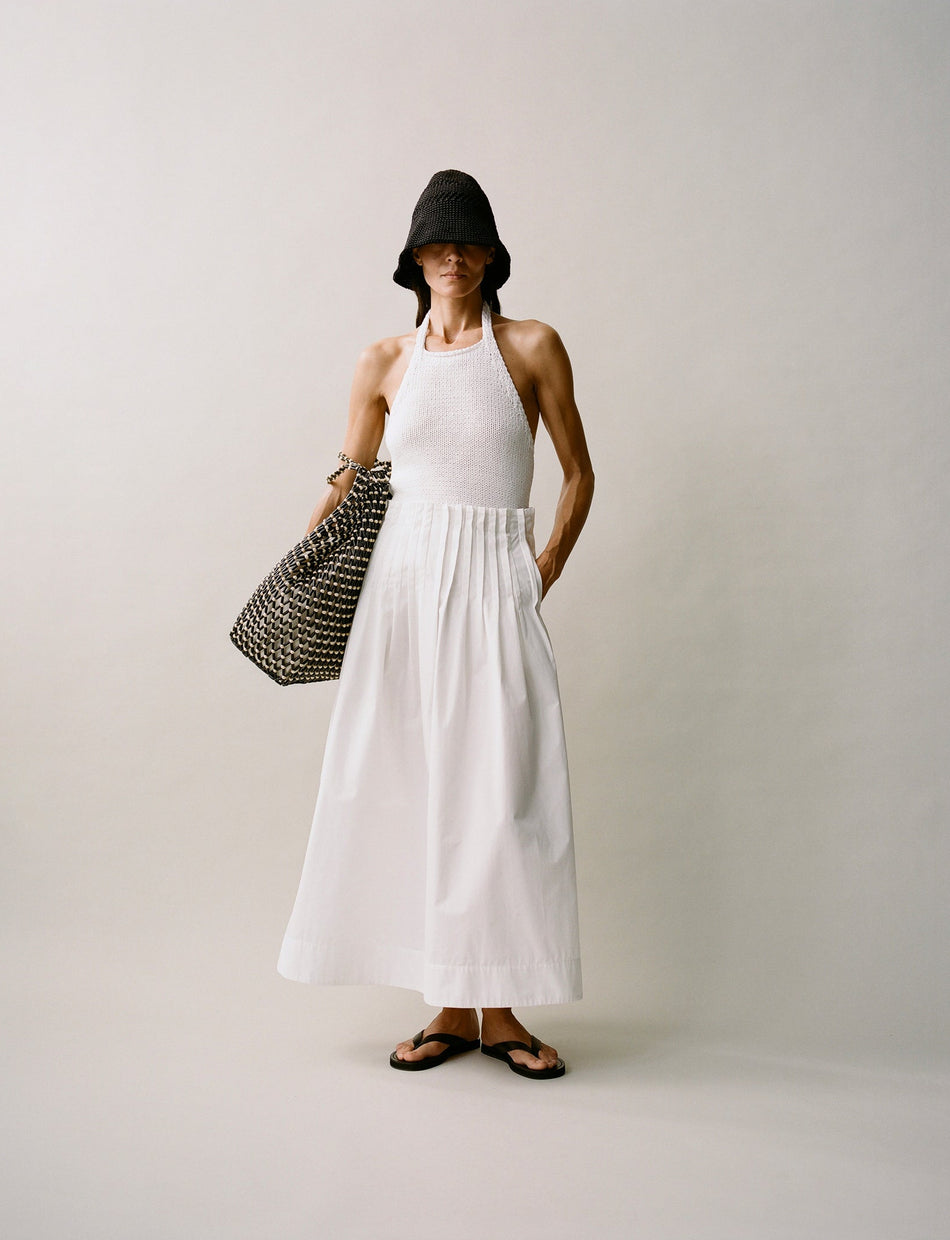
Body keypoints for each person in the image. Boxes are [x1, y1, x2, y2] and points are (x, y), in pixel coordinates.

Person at [276, 170, 595, 1079]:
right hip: (401, 589)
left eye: (468, 243)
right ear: (415, 260)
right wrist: (299, 564)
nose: (452, 257)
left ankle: (503, 1011)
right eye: (435, 244)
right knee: (419, 792)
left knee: (499, 794)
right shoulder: (384, 360)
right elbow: (351, 481)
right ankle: (453, 1007)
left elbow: (578, 473)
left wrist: (539, 574)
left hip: (494, 583)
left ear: (492, 256)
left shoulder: (531, 347)